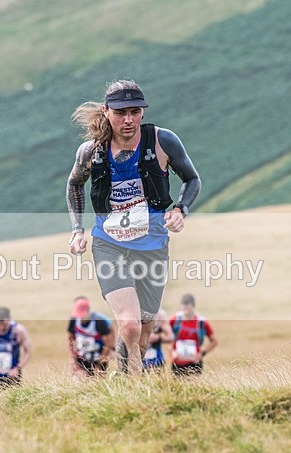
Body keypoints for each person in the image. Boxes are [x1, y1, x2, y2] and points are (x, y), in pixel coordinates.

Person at [66, 79, 201, 374]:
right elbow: (74, 184)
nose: (128, 120)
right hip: (109, 243)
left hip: (152, 245)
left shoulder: (162, 141)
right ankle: (136, 383)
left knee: (142, 332)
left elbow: (192, 179)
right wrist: (77, 229)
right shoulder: (91, 151)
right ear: (106, 112)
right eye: (120, 113)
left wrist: (180, 209)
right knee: (128, 322)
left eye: (135, 112)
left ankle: (125, 381)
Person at [0, 307, 32, 388]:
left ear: (9, 320)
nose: (1, 327)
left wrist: (17, 368)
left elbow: (28, 352)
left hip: (12, 375)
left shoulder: (18, 330)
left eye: (4, 324)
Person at [169, 293, 217, 376]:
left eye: (188, 307)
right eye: (184, 307)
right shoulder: (175, 320)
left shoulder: (201, 322)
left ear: (193, 306)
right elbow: (165, 337)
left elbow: (214, 341)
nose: (186, 310)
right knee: (177, 388)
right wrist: (172, 352)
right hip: (177, 362)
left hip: (195, 362)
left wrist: (202, 354)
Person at [67, 296, 115, 377]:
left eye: (82, 314)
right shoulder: (74, 321)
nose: (80, 317)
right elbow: (70, 339)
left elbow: (108, 344)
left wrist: (100, 363)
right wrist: (74, 360)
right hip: (81, 357)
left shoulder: (99, 322)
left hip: (98, 357)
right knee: (79, 379)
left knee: (99, 380)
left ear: (88, 311)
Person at [141, 308, 174, 372]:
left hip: (157, 360)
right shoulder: (135, 311)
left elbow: (171, 337)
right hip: (139, 360)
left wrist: (157, 338)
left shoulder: (160, 315)